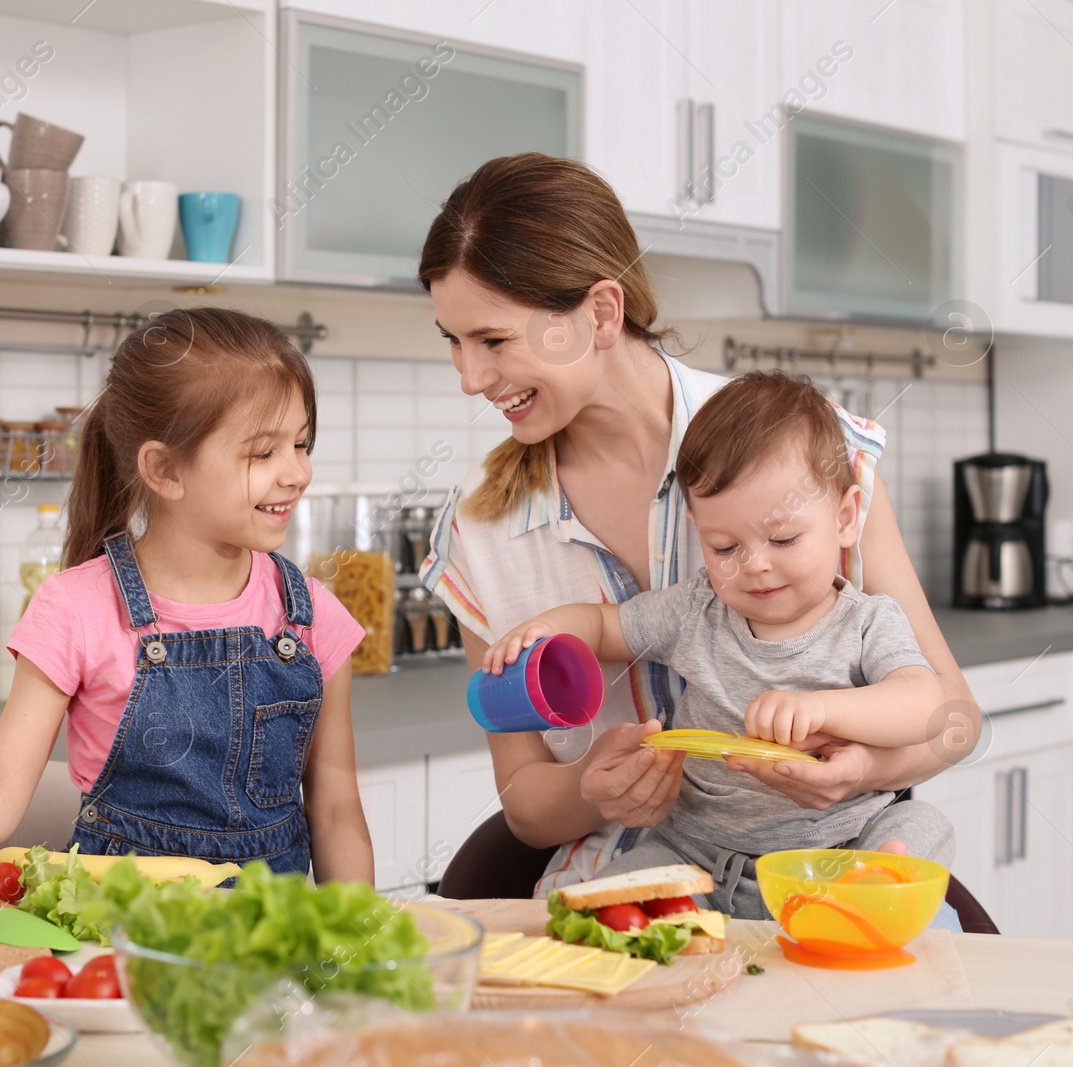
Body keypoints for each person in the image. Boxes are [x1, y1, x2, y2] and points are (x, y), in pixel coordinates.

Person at [417, 152, 979, 900]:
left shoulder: (806, 453)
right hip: (635, 896)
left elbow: (956, 721)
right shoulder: (480, 531)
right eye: (452, 341)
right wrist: (592, 787)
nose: (469, 377)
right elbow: (523, 800)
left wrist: (870, 770)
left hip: (820, 879)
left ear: (601, 314)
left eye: (493, 340)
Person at [0, 308, 375, 898]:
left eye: (302, 444)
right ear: (163, 469)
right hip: (114, 949)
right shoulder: (75, 608)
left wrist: (354, 939)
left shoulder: (309, 613)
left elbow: (335, 811)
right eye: (264, 453)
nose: (299, 473)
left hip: (270, 954)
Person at [481, 371, 956, 917]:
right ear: (696, 525)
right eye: (724, 545)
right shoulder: (696, 610)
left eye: (783, 539)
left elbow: (927, 703)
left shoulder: (869, 622)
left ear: (846, 518)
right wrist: (544, 630)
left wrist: (822, 708)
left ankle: (862, 908)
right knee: (602, 904)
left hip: (835, 855)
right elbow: (603, 626)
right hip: (697, 855)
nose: (755, 564)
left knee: (921, 826)